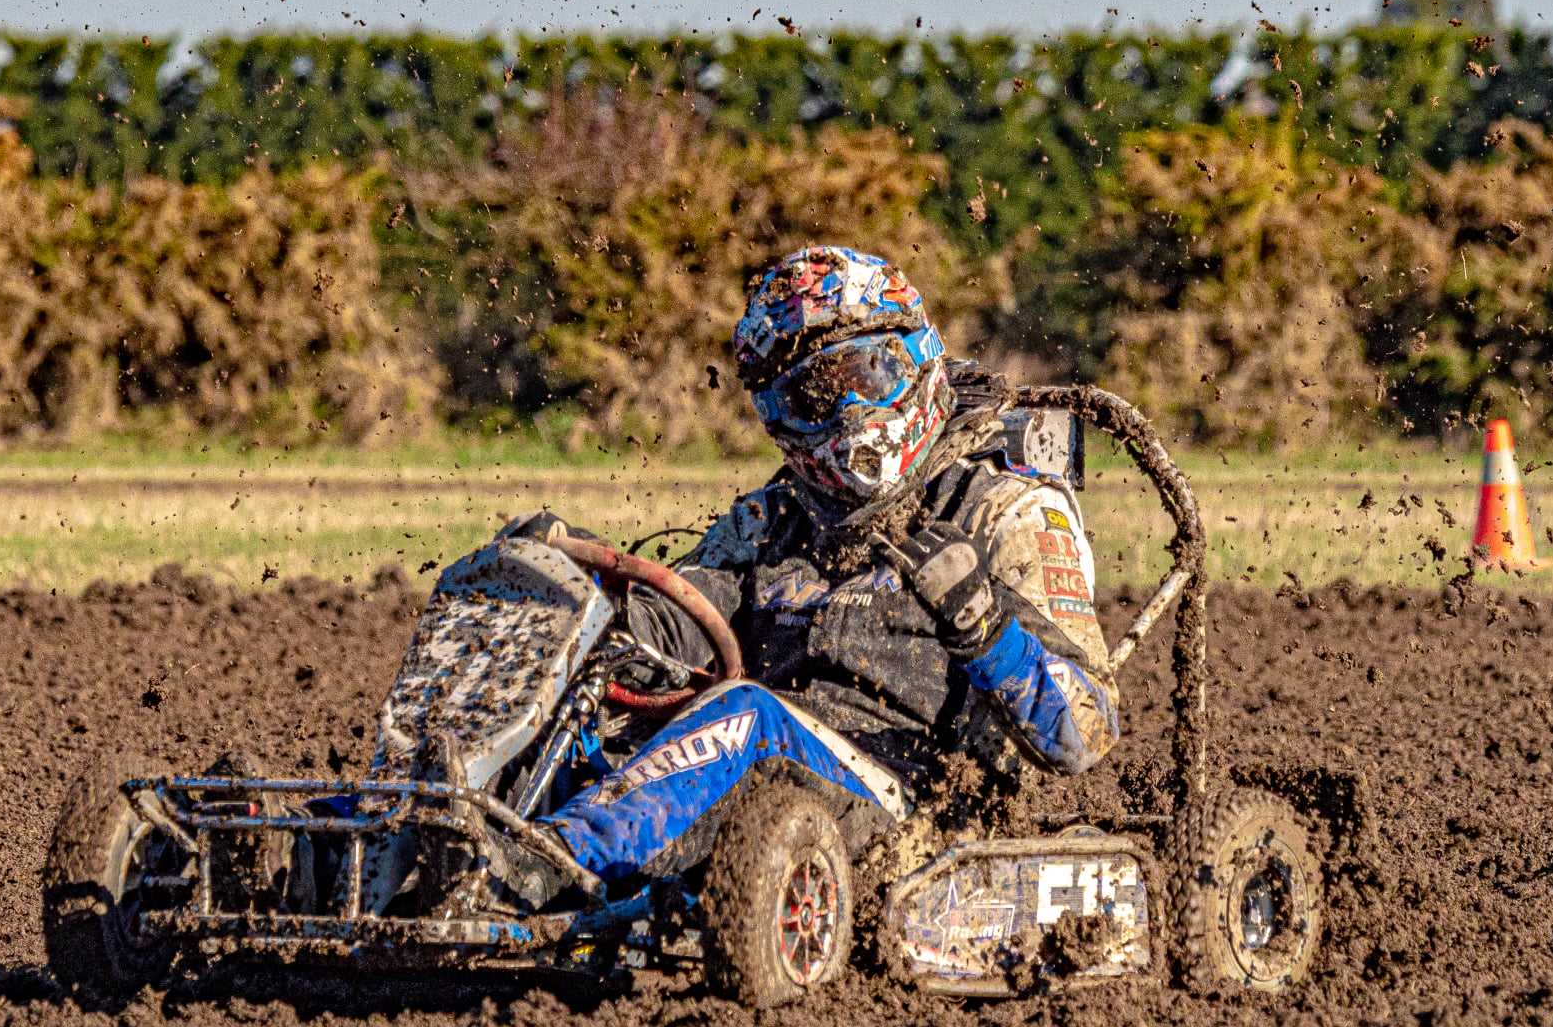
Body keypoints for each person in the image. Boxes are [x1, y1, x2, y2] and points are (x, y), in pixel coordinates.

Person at [477, 245, 1119, 907]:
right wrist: (583, 602)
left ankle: (543, 866)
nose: (847, 412)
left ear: (919, 362)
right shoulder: (773, 519)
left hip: (919, 809)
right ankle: (432, 834)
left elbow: (1086, 731)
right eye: (814, 394)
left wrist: (982, 624)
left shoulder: (1002, 508)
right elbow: (678, 627)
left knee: (746, 713)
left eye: (871, 375)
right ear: (780, 417)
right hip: (775, 798)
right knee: (573, 700)